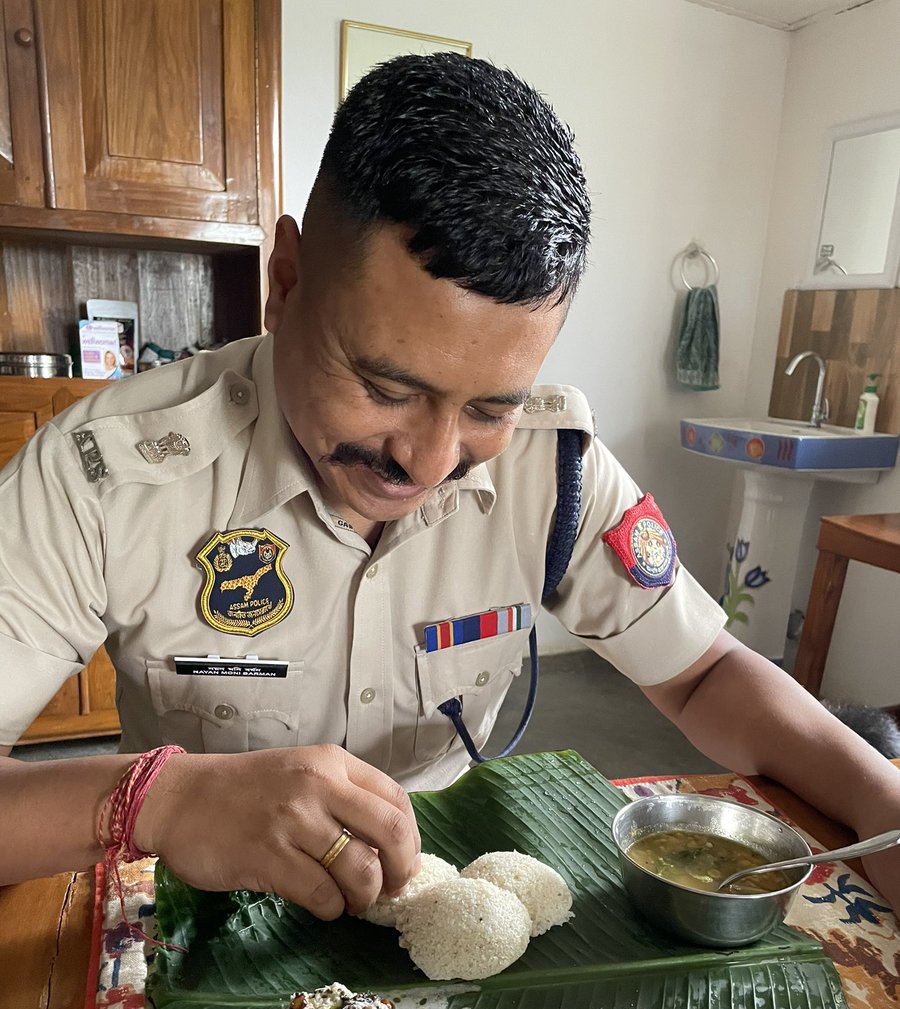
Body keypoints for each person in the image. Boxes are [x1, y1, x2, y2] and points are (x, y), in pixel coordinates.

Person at [2, 54, 899, 920]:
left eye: (490, 408)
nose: (430, 461)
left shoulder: (556, 467)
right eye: (387, 389)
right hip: (195, 921)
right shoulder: (105, 472)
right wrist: (154, 802)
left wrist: (884, 805)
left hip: (442, 909)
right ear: (285, 283)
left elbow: (704, 675)